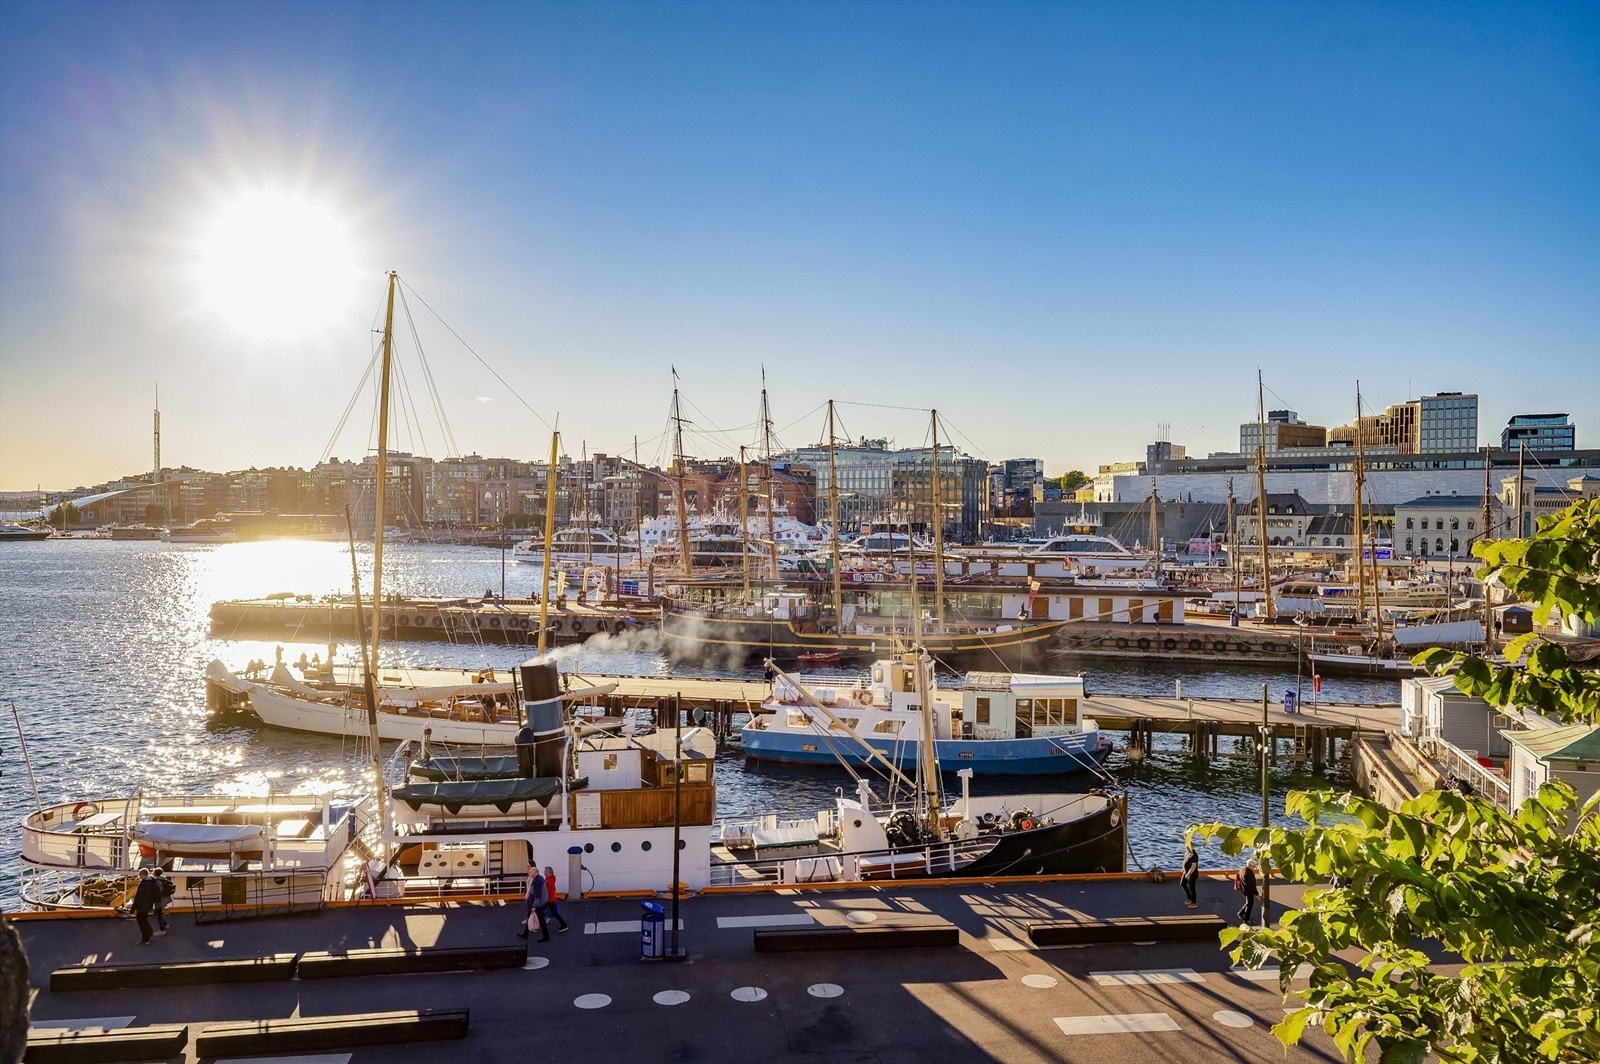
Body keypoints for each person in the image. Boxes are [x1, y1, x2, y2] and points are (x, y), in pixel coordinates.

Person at [518, 864, 549, 942]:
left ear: (535, 872)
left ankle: (546, 936)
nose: (529, 873)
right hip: (540, 902)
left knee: (541, 919)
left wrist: (534, 905)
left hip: (539, 903)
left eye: (531, 872)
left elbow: (537, 894)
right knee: (530, 916)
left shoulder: (537, 881)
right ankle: (526, 934)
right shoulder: (539, 879)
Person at [130, 869, 161, 944]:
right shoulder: (151, 882)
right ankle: (149, 931)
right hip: (148, 904)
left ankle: (146, 938)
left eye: (139, 874)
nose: (139, 876)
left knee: (141, 920)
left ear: (143, 874)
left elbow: (139, 897)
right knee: (143, 919)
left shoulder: (144, 883)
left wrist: (133, 908)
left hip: (142, 905)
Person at [541, 865, 570, 932]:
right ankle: (563, 924)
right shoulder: (551, 879)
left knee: (551, 912)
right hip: (551, 899)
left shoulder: (548, 881)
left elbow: (546, 891)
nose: (544, 872)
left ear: (547, 872)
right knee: (552, 912)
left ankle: (564, 925)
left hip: (548, 900)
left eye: (545, 871)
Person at [1235, 859, 1260, 925]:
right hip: (1249, 890)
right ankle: (1246, 920)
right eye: (1254, 866)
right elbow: (1252, 885)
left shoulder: (1243, 869)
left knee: (1248, 902)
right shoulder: (1249, 873)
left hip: (1243, 888)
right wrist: (1256, 894)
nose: (1254, 868)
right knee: (1250, 904)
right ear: (1250, 865)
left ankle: (1241, 913)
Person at [151, 868, 174, 935]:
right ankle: (165, 924)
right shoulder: (163, 879)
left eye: (153, 872)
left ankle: (162, 930)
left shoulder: (157, 882)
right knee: (160, 913)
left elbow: (158, 891)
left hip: (159, 900)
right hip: (164, 899)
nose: (152, 873)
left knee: (159, 915)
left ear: (155, 873)